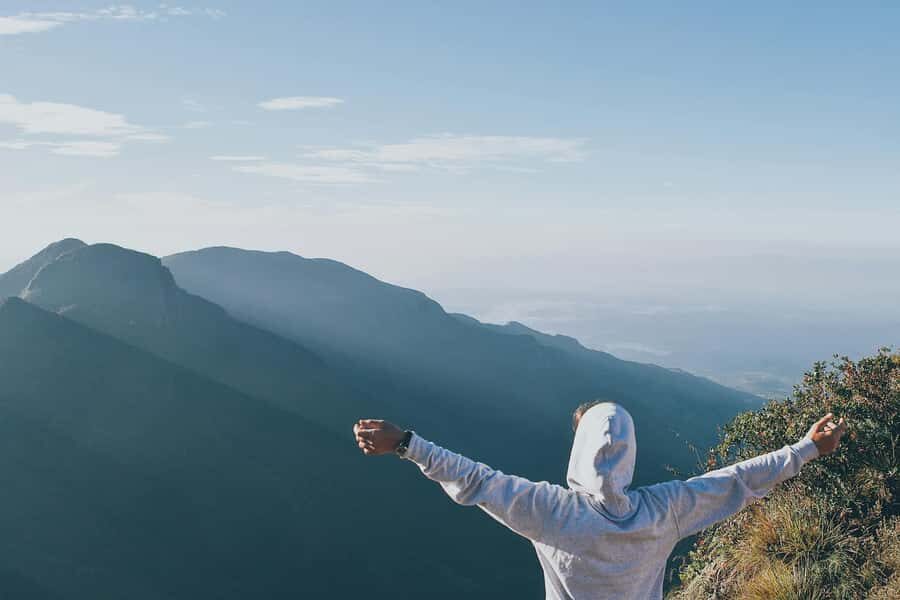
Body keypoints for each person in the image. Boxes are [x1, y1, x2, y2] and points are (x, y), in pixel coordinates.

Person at [353, 401, 846, 600]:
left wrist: (406, 444)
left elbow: (475, 479)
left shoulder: (551, 513)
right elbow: (737, 480)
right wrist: (806, 449)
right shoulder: (665, 511)